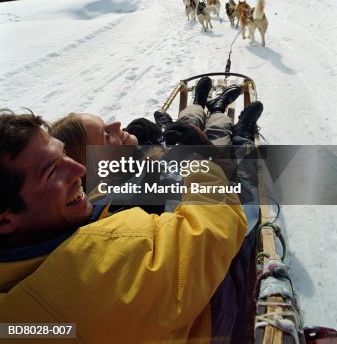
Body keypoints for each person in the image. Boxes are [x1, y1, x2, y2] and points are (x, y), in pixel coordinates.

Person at [0, 108, 247, 343]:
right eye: (51, 171)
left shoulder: (54, 225)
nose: (79, 169)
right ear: (5, 219)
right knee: (219, 138)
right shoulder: (102, 271)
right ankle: (231, 124)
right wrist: (199, 158)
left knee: (191, 121)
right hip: (213, 304)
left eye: (63, 154)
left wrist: (149, 146)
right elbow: (214, 226)